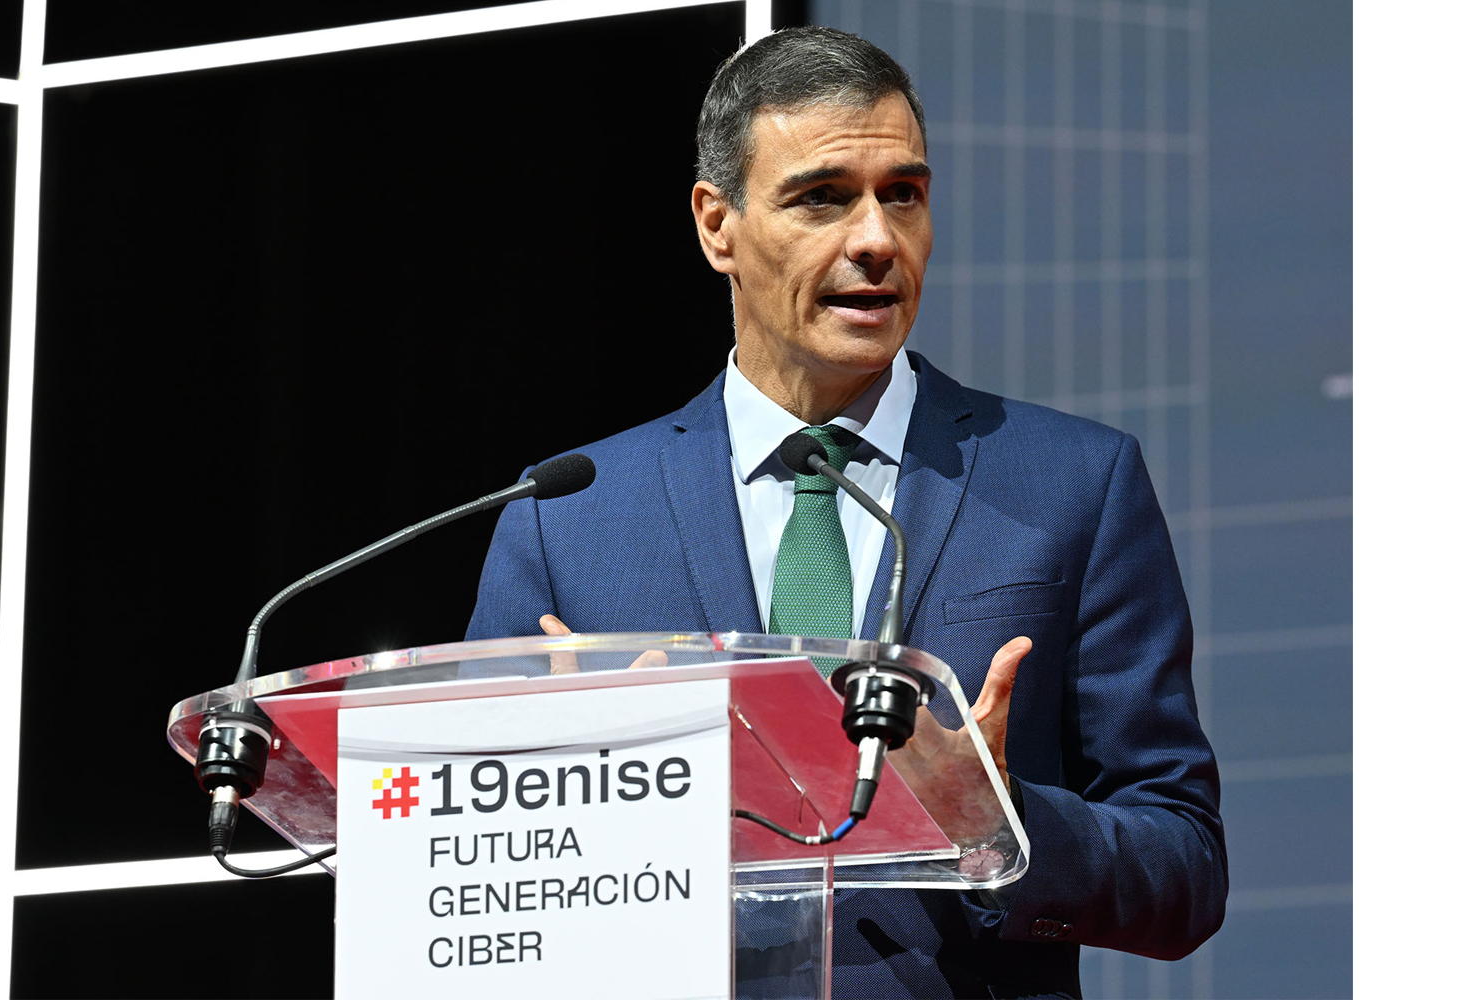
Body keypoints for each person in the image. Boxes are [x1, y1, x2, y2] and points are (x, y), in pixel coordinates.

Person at [466, 26, 1225, 999]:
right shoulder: (566, 520)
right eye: (823, 197)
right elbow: (478, 866)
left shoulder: (1074, 483)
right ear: (716, 224)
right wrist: (581, 794)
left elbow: (1186, 868)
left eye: (902, 194)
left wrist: (992, 818)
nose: (875, 238)